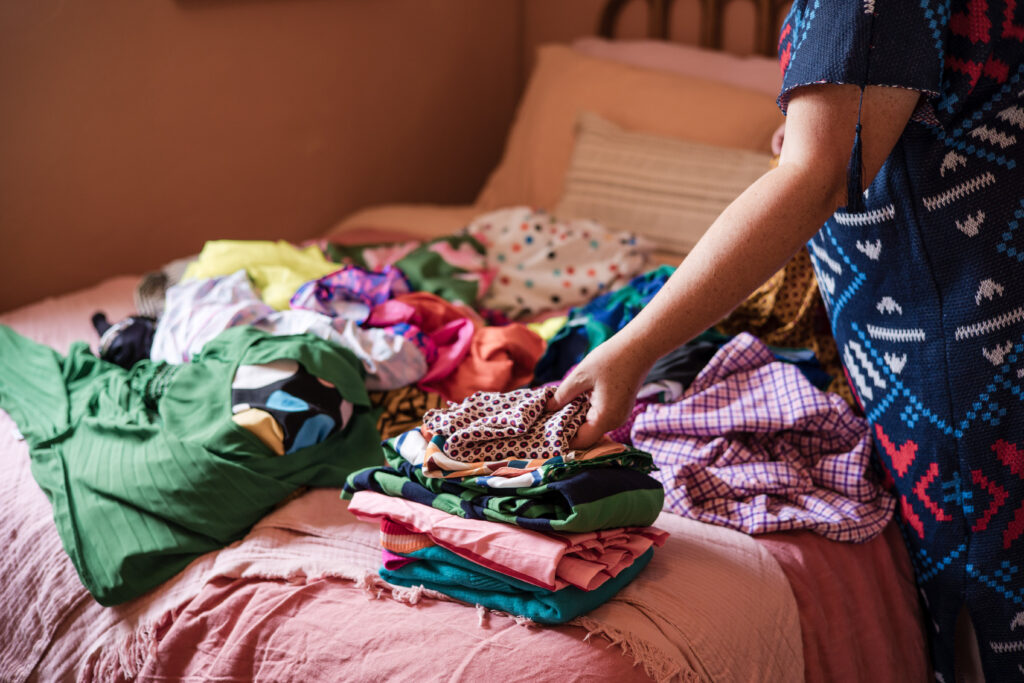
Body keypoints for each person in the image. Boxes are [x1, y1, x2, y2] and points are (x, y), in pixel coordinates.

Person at [547, 3, 1024, 680]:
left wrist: (632, 346)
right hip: (974, 325)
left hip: (961, 356)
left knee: (989, 613)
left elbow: (816, 177)